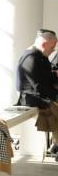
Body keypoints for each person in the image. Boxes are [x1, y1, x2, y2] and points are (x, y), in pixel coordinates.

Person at [16, 28, 58, 158]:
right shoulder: (31, 58)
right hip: (31, 98)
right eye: (53, 47)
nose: (54, 51)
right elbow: (37, 87)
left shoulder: (42, 57)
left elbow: (49, 80)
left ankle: (55, 145)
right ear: (45, 44)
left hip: (40, 96)